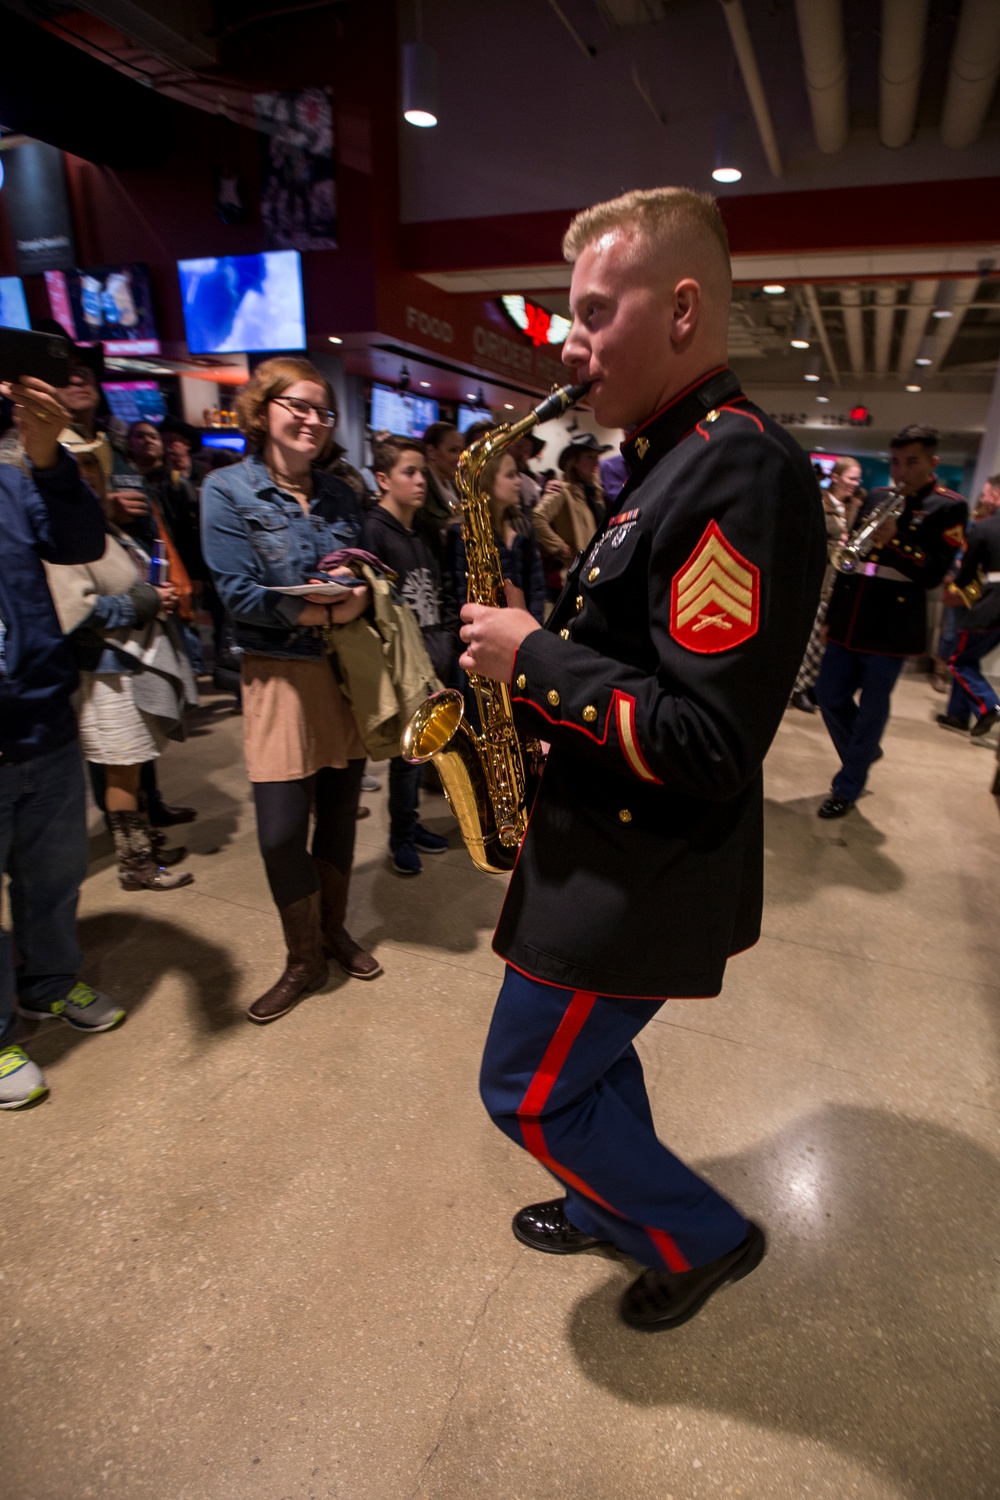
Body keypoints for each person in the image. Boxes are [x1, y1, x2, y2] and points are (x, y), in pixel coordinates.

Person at [460, 187, 826, 1331]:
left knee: (523, 1089)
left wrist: (532, 660)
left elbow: (706, 739)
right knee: (585, 1070)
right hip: (601, 851)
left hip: (637, 870)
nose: (569, 346)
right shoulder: (666, 460)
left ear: (679, 309)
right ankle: (607, 1188)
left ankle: (700, 1237)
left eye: (590, 312)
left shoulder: (738, 470)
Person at [201, 357, 382, 1024]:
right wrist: (330, 610)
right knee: (280, 833)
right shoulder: (227, 491)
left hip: (345, 675)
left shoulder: (339, 495)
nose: (311, 420)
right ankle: (302, 959)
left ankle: (332, 932)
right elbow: (237, 593)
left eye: (322, 411)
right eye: (296, 406)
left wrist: (358, 597)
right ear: (262, 411)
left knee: (338, 815)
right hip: (276, 675)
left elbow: (364, 574)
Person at [0, 376, 126, 1111]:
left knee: (52, 876)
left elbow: (80, 540)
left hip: (41, 721)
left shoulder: (15, 478)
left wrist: (48, 456)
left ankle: (48, 982)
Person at [46, 448, 197, 890]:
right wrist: (146, 601)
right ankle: (135, 864)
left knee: (131, 765)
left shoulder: (95, 524)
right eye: (76, 464)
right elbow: (74, 610)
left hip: (124, 667)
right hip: (104, 673)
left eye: (91, 464)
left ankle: (143, 848)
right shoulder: (62, 531)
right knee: (121, 769)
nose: (86, 474)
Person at [815, 425, 967, 818]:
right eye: (897, 461)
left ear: (932, 462)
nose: (901, 470)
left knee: (872, 708)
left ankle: (847, 786)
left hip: (894, 624)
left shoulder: (949, 506)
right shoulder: (878, 496)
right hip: (852, 615)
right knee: (828, 695)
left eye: (912, 462)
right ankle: (862, 753)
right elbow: (854, 557)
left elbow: (932, 573)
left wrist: (896, 541)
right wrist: (833, 615)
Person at [363, 435, 457, 874]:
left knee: (423, 752)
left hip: (436, 650)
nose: (421, 481)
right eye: (409, 472)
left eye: (423, 472)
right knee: (405, 757)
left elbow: (438, 592)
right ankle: (399, 836)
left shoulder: (423, 531)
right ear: (383, 479)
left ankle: (410, 824)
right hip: (406, 661)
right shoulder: (374, 532)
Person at [789, 457, 862, 713]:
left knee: (827, 642)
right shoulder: (818, 502)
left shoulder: (856, 508)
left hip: (843, 585)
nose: (855, 483)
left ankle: (815, 688)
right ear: (837, 477)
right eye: (851, 477)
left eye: (857, 479)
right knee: (810, 640)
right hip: (821, 581)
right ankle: (798, 689)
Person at [450, 448, 546, 625]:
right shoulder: (464, 532)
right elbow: (462, 595)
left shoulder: (523, 527)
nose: (519, 481)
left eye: (517, 474)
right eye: (510, 475)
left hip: (525, 631)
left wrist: (534, 630)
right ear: (487, 481)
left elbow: (536, 588)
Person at [936, 500, 1000, 736]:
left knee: (957, 660)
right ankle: (958, 715)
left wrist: (952, 584)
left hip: (990, 603)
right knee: (967, 656)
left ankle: (989, 706)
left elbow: (965, 576)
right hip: (991, 603)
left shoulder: (984, 528)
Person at [532, 432, 610, 597]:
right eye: (590, 457)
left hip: (596, 572)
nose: (596, 462)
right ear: (574, 462)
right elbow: (537, 518)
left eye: (597, 457)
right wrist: (559, 546)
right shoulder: (562, 491)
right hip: (572, 577)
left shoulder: (595, 493)